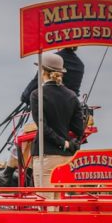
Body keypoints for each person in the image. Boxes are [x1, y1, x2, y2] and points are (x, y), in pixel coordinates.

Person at [29, 53, 84, 189]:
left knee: (46, 203)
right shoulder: (71, 96)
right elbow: (79, 130)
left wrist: (63, 143)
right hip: (66, 158)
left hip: (46, 155)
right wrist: (69, 144)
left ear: (43, 72)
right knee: (61, 203)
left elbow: (43, 127)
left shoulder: (37, 95)